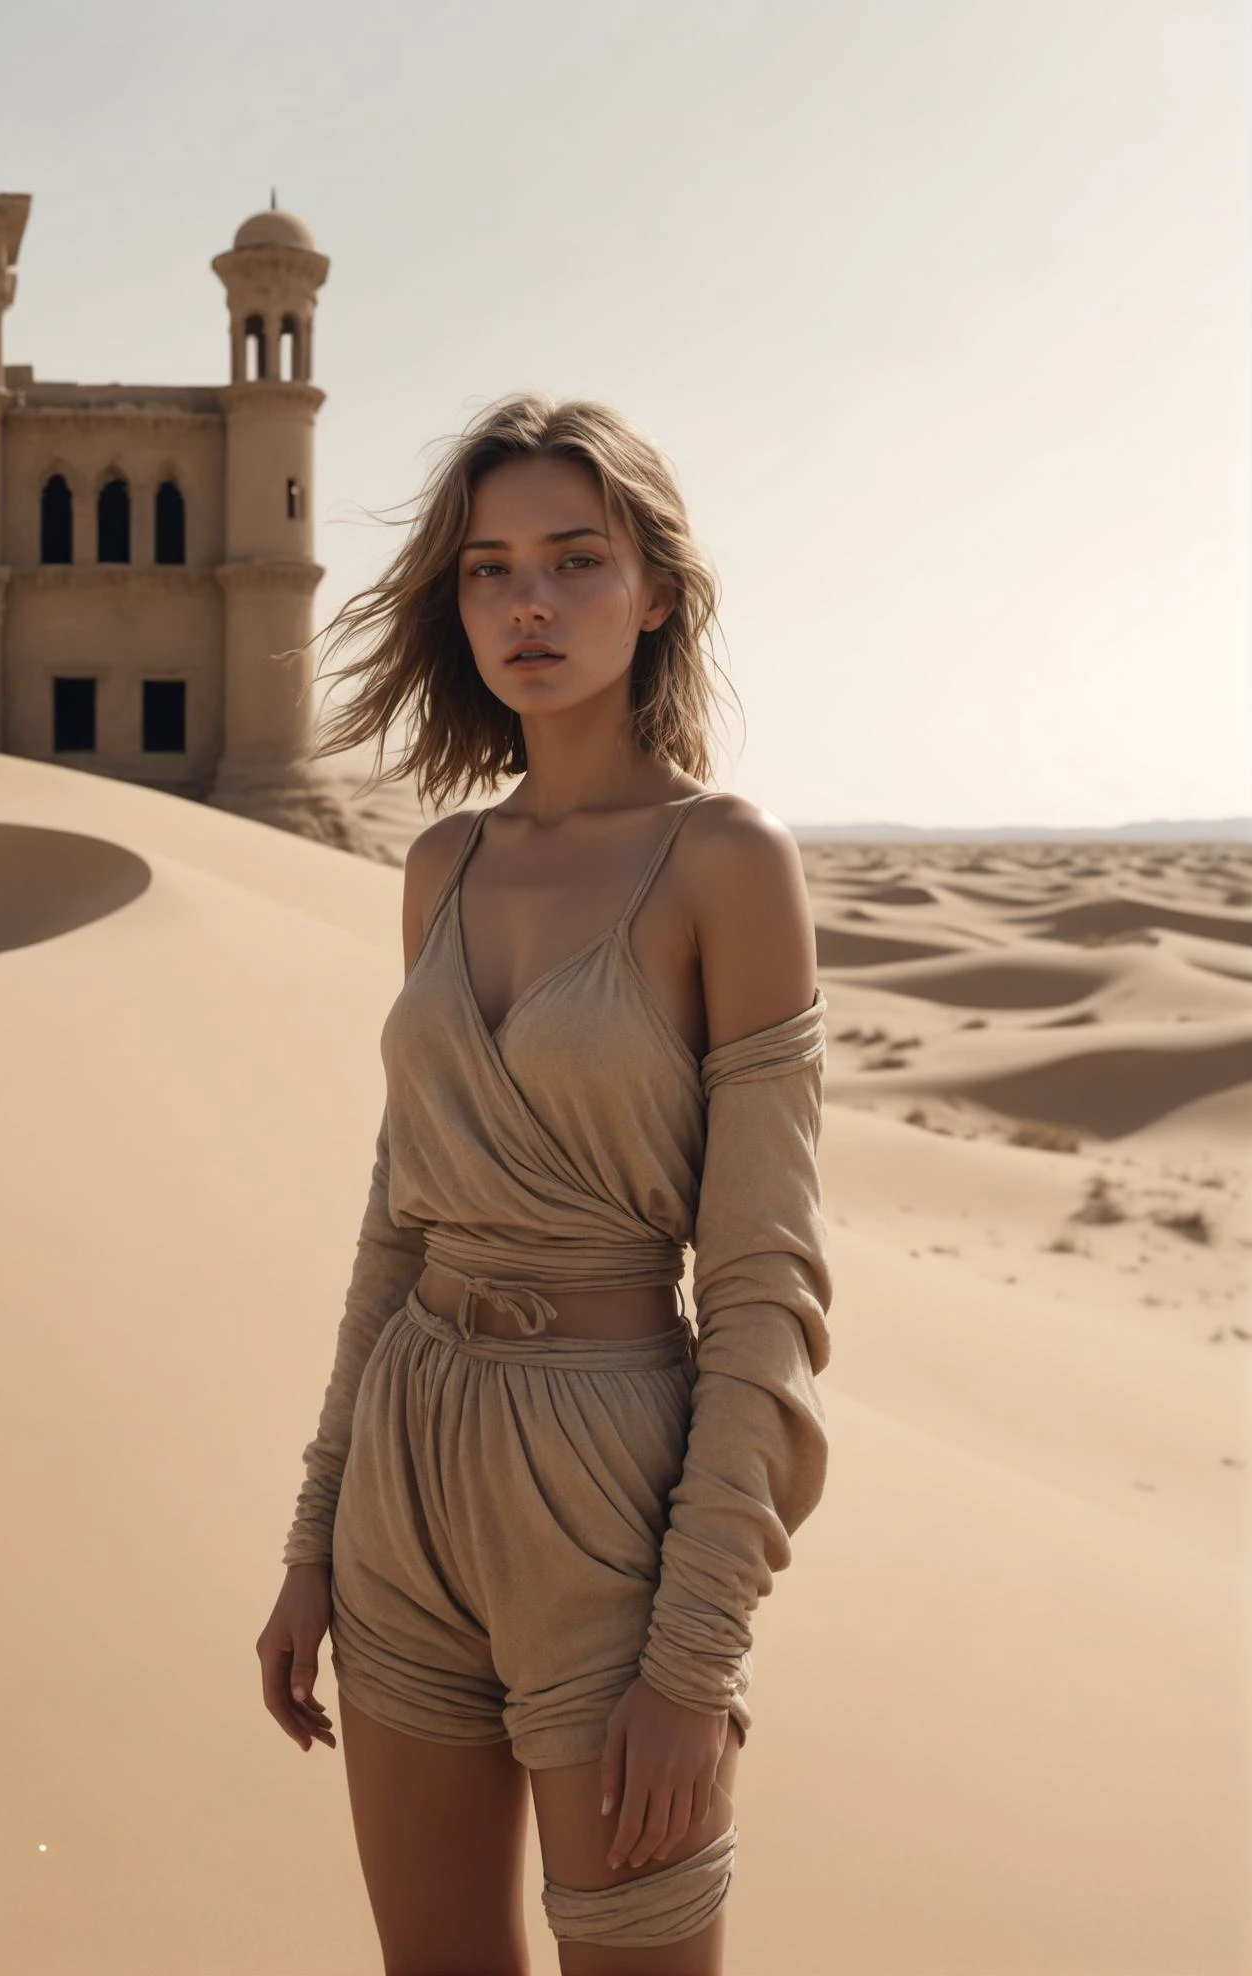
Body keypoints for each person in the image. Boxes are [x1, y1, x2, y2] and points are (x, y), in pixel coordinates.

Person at [254, 394, 833, 1975]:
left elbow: (767, 1286)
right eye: (490, 569)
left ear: (656, 591)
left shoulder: (727, 861)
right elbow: (397, 1226)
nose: (529, 602)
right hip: (407, 1472)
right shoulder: (440, 866)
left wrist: (698, 1658)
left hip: (609, 1494)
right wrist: (314, 1540)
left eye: (576, 561)